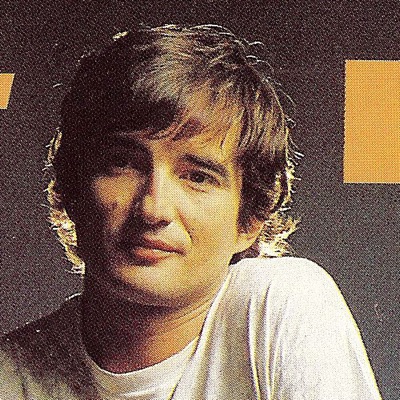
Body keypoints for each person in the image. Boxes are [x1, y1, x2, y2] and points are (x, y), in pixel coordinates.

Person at [0, 24, 381, 399]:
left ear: (249, 221)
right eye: (122, 164)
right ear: (71, 187)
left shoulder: (280, 304)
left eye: (197, 177)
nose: (153, 209)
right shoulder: (10, 375)